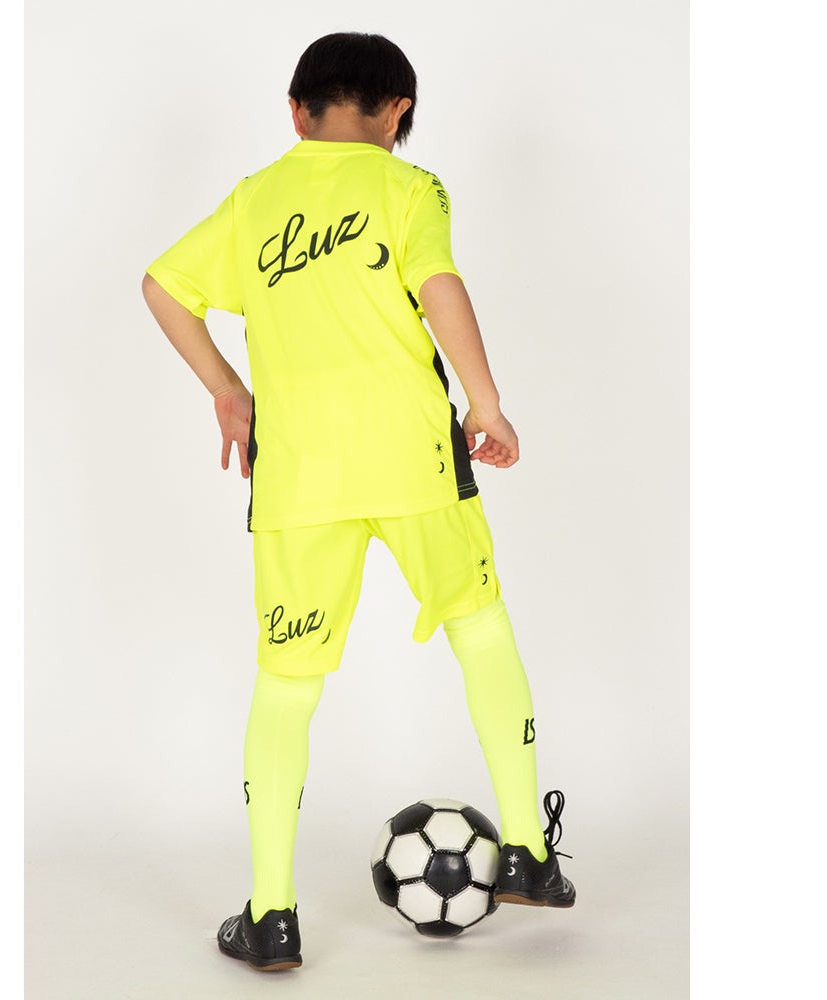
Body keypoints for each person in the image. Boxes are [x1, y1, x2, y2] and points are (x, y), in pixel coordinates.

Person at [142, 31, 575, 972]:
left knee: (286, 685)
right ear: (398, 113)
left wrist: (228, 389)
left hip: (299, 478)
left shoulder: (255, 198)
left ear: (296, 112)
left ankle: (271, 914)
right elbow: (440, 285)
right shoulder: (411, 190)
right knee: (480, 626)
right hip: (414, 461)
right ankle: (527, 854)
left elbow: (163, 285)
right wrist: (486, 404)